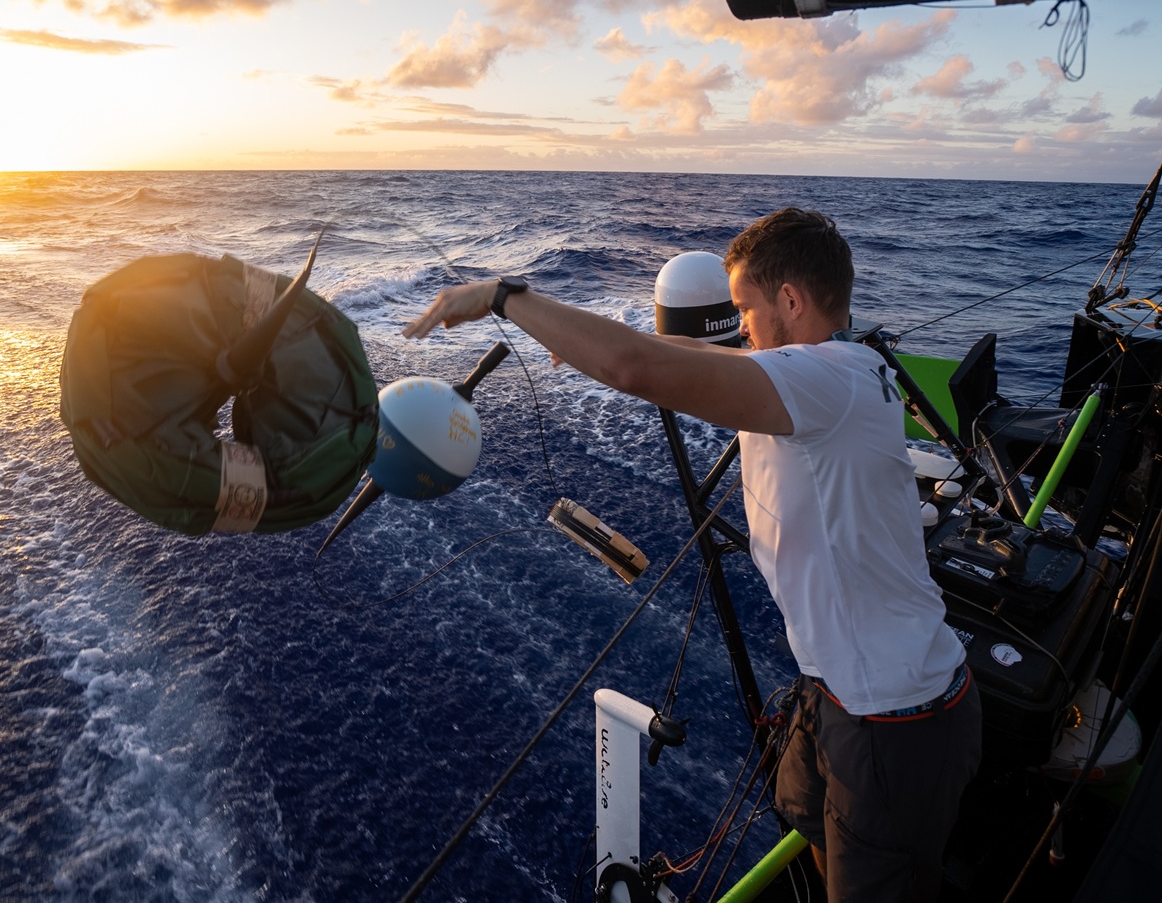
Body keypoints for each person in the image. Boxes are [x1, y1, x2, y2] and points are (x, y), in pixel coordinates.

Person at [403, 208, 980, 902]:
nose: (740, 327)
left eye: (746, 308)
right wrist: (587, 336)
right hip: (838, 689)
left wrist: (505, 297)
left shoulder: (822, 381)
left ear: (791, 302)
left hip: (894, 721)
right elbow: (709, 357)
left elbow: (638, 369)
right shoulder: (853, 367)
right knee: (809, 823)